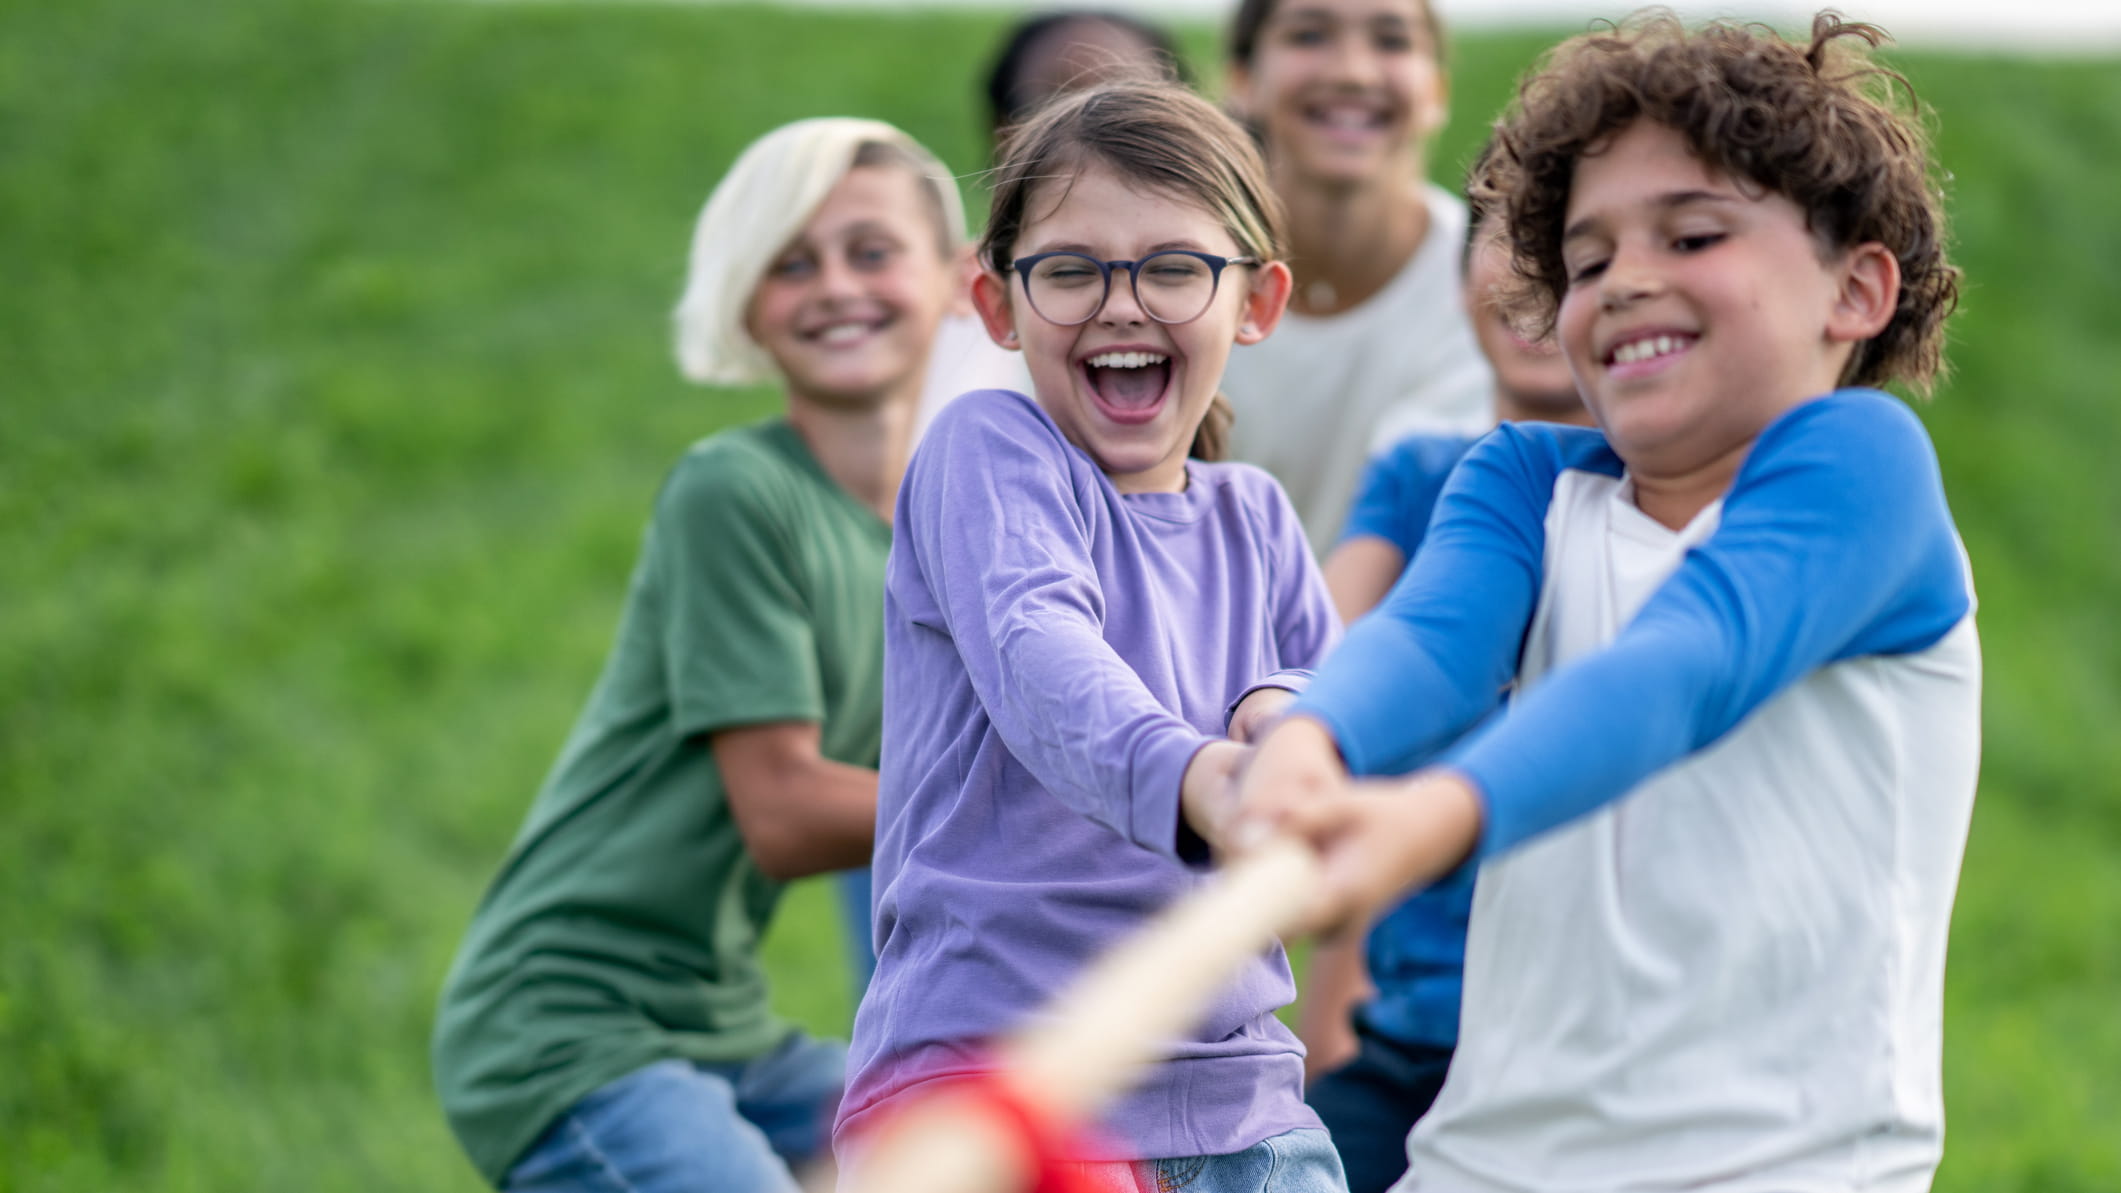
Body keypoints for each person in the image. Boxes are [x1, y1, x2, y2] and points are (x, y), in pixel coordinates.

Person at [1236, 12, 1979, 1191]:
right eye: (1586, 261)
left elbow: (1683, 664)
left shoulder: (1862, 468)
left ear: (1856, 288)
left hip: (1778, 1167)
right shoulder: (1520, 480)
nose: (1627, 280)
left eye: (1690, 235)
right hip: (1481, 1163)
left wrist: (1427, 819)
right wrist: (1311, 736)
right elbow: (1425, 643)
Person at [431, 118, 967, 1193]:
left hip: (723, 1028)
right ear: (746, 300)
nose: (833, 286)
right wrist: (1045, 803)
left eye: (872, 250)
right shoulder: (736, 492)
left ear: (959, 281)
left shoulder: (941, 525)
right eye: (790, 261)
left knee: (984, 1148)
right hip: (568, 1023)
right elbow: (783, 812)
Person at [835, 81, 1347, 1191]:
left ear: (1257, 301)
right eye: (1071, 270)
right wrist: (1203, 776)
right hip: (993, 1080)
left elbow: (1346, 699)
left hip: (1241, 1096)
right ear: (997, 301)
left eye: (1174, 267)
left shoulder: (1254, 516)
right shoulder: (988, 450)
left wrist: (1287, 711)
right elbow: (1038, 652)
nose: (1122, 305)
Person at [1295, 175, 1594, 1193]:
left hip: (1591, 1051)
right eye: (1503, 240)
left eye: (1564, 242)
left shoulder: (1687, 503)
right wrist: (1285, 725)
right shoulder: (1426, 470)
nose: (1527, 274)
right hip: (1415, 1029)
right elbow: (1335, 640)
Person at [1221, 0, 1494, 551]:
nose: (1352, 72)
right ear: (1243, 80)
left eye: (1392, 41)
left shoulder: (1494, 287)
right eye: (1308, 35)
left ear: (1436, 92)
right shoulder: (1176, 277)